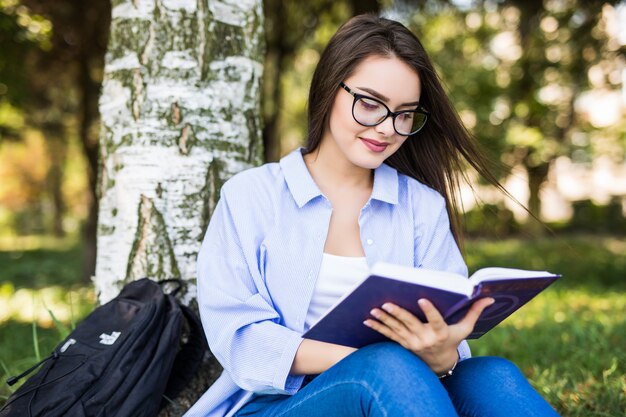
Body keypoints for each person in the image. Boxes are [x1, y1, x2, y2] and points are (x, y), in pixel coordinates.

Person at [185, 14, 560, 417]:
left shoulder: (421, 206)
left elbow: (449, 333)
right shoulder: (251, 196)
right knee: (386, 366)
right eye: (369, 104)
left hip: (403, 390)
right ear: (330, 88)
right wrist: (371, 358)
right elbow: (240, 338)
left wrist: (441, 353)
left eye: (404, 114)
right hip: (278, 405)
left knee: (491, 375)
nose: (386, 128)